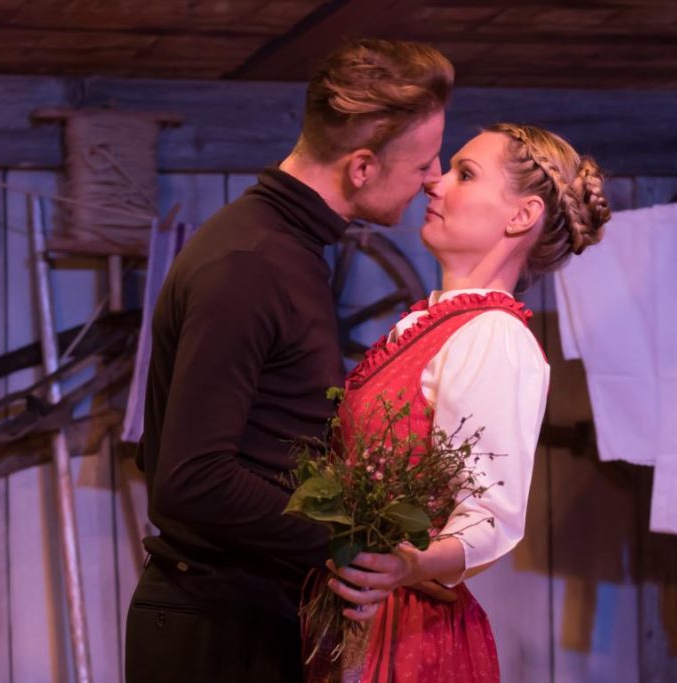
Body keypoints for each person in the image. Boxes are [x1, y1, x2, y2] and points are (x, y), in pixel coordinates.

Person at [125, 39, 453, 683]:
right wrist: (356, 544)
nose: (434, 178)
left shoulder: (288, 250)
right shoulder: (250, 264)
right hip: (213, 631)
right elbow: (191, 477)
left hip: (248, 615)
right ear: (362, 167)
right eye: (422, 162)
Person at [320, 123, 612, 681]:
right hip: (363, 611)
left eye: (466, 174)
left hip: (408, 631)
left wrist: (408, 564)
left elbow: (490, 516)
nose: (435, 182)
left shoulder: (492, 337)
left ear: (521, 215)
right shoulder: (428, 324)